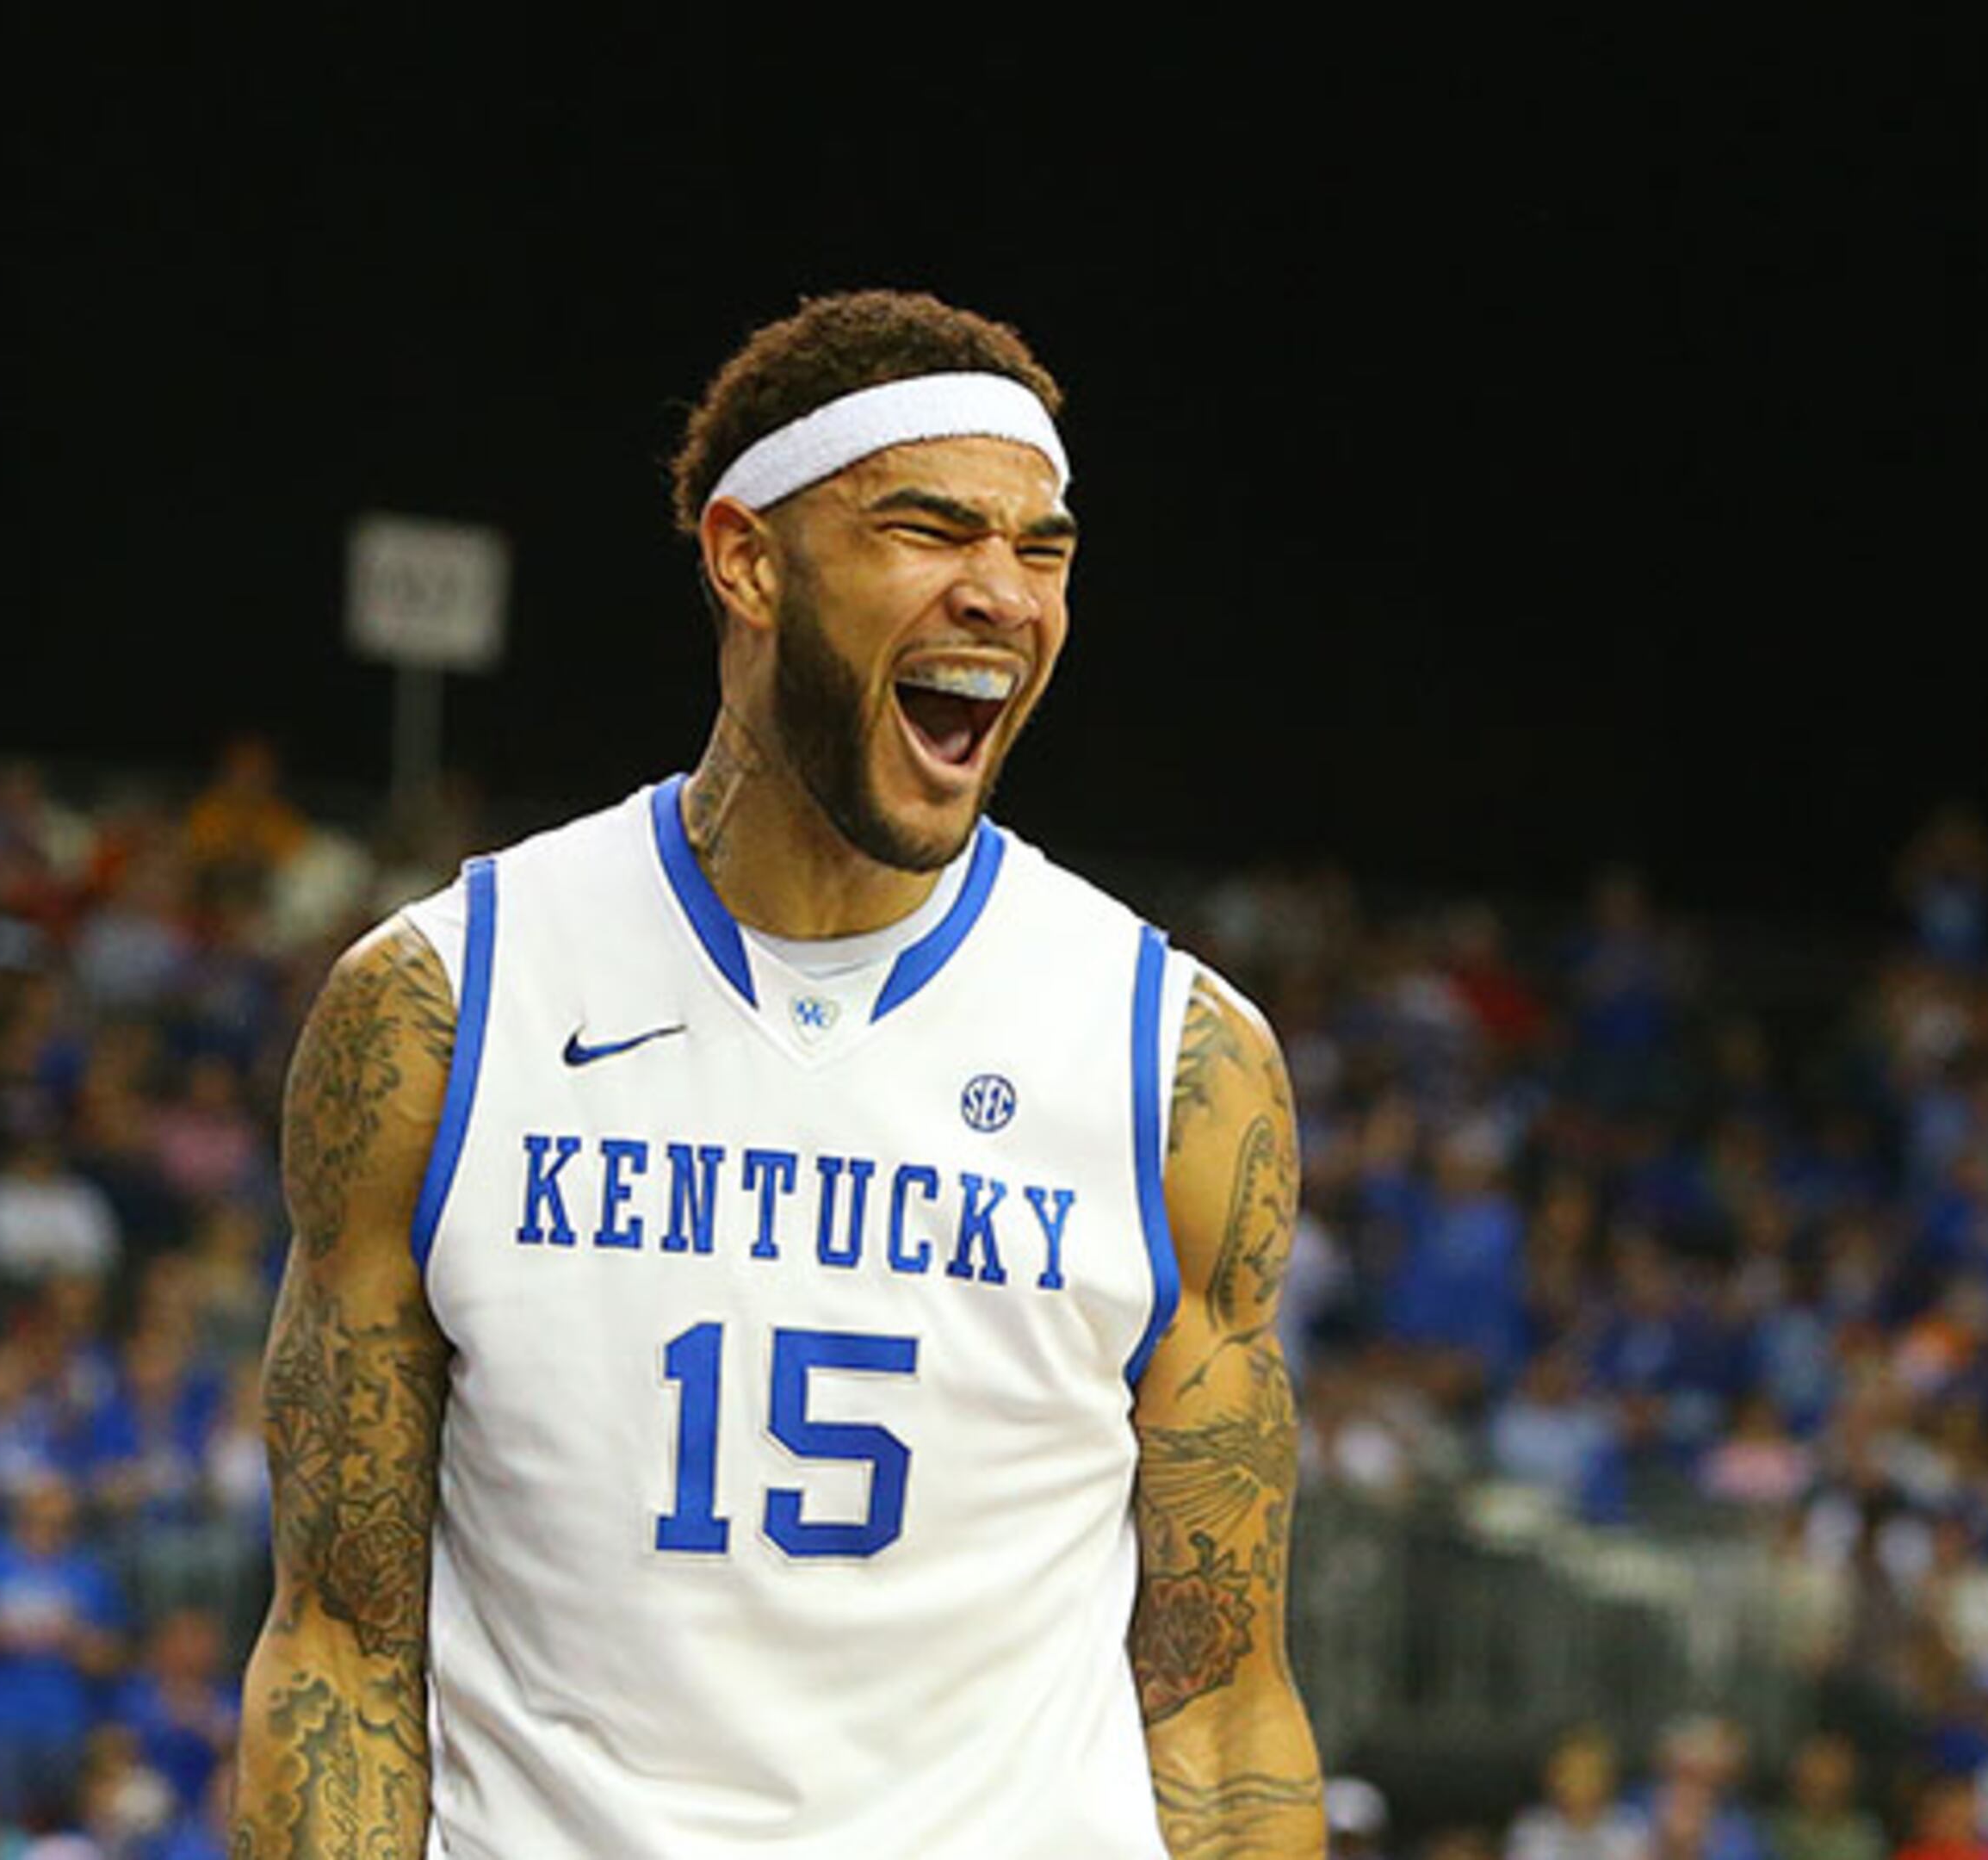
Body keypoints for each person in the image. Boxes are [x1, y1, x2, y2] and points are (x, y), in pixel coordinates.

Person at [231, 290, 1323, 1857]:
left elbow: (1220, 1708)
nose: (1001, 596)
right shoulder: (444, 1009)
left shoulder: (1178, 1061)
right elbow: (341, 1646)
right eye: (932, 531)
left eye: (1042, 550)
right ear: (747, 559)